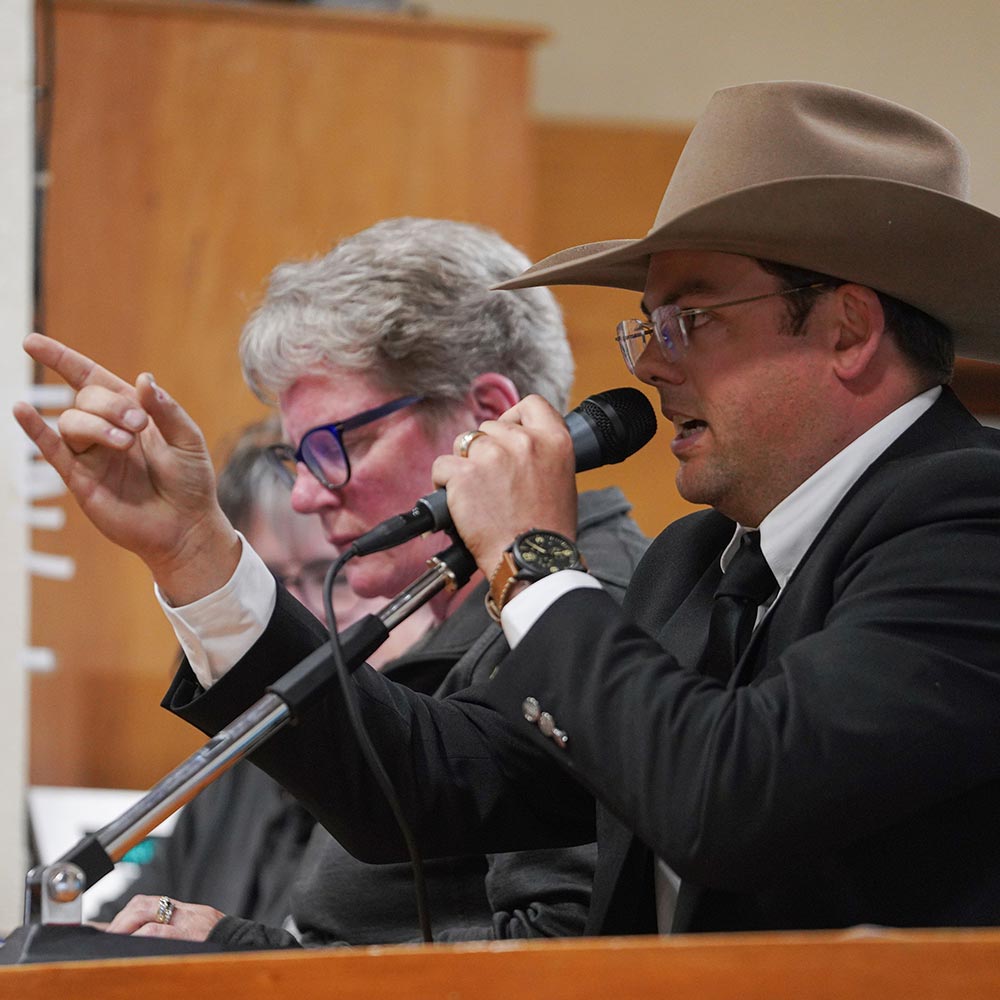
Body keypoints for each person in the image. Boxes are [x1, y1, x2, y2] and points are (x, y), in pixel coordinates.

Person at [21, 80, 1000, 937]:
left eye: (688, 320)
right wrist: (197, 550)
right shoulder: (698, 562)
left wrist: (533, 560)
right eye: (645, 325)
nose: (650, 364)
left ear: (847, 329)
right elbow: (431, 789)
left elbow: (731, 797)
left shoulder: (971, 516)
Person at [20, 217, 648, 945]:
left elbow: (560, 957)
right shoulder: (463, 607)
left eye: (341, 445)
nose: (307, 496)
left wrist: (237, 960)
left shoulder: (592, 607)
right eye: (298, 457)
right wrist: (192, 548)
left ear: (489, 416)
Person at [94, 418, 429, 927]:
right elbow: (130, 922)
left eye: (329, 576)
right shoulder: (242, 763)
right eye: (269, 583)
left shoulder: (437, 771)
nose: (298, 612)